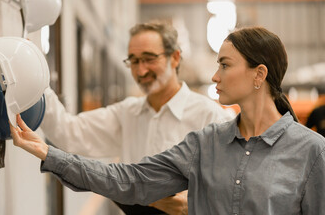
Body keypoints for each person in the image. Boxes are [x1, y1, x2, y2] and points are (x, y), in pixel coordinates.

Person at [11, 26, 325, 214]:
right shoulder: (206, 143)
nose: (215, 76)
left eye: (225, 65)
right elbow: (129, 180)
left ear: (259, 74)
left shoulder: (311, 152)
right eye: (133, 60)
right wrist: (49, 153)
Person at [39, 21, 232, 214]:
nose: (141, 71)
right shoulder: (127, 114)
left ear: (174, 57)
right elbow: (69, 133)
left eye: (149, 59)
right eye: (134, 61)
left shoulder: (210, 117)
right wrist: (37, 80)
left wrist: (192, 206)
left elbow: (234, 190)